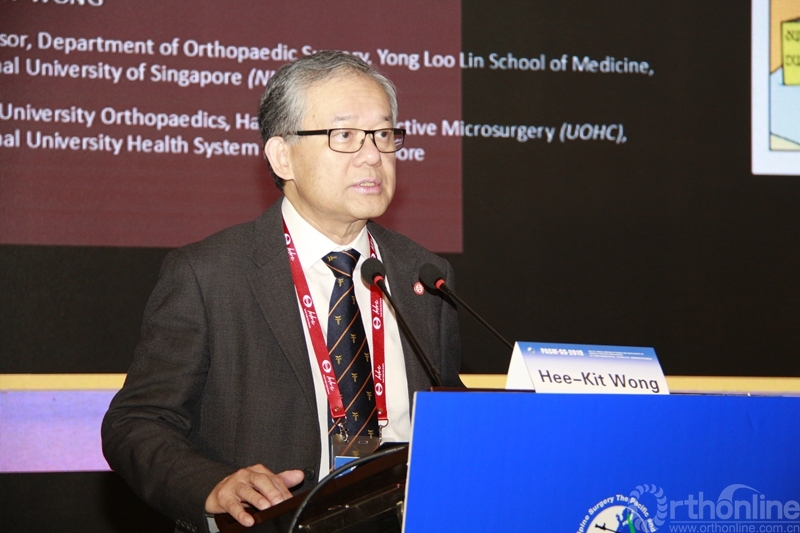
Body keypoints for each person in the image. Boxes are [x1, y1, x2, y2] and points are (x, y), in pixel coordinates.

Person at [101, 50, 462, 533]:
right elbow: (135, 423)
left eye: (383, 134)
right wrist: (212, 485)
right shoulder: (209, 274)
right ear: (282, 156)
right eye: (345, 135)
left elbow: (448, 411)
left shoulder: (423, 274)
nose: (373, 155)